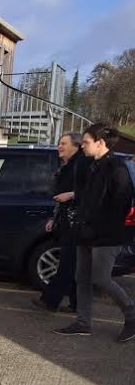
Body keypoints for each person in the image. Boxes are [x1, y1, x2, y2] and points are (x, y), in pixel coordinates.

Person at [54, 124, 135, 342]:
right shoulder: (91, 165)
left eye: (86, 142)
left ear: (100, 143)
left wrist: (98, 227)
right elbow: (85, 197)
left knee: (101, 278)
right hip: (85, 233)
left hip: (105, 236)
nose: (83, 146)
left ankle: (131, 314)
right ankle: (83, 322)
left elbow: (121, 204)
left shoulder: (116, 168)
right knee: (82, 278)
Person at [32, 132, 86, 312]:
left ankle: (50, 300)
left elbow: (91, 191)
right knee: (73, 264)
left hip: (76, 223)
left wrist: (71, 195)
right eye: (59, 143)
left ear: (76, 146)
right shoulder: (68, 166)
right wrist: (53, 218)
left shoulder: (81, 165)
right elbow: (59, 198)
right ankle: (77, 304)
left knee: (68, 264)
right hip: (66, 220)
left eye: (64, 143)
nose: (59, 147)